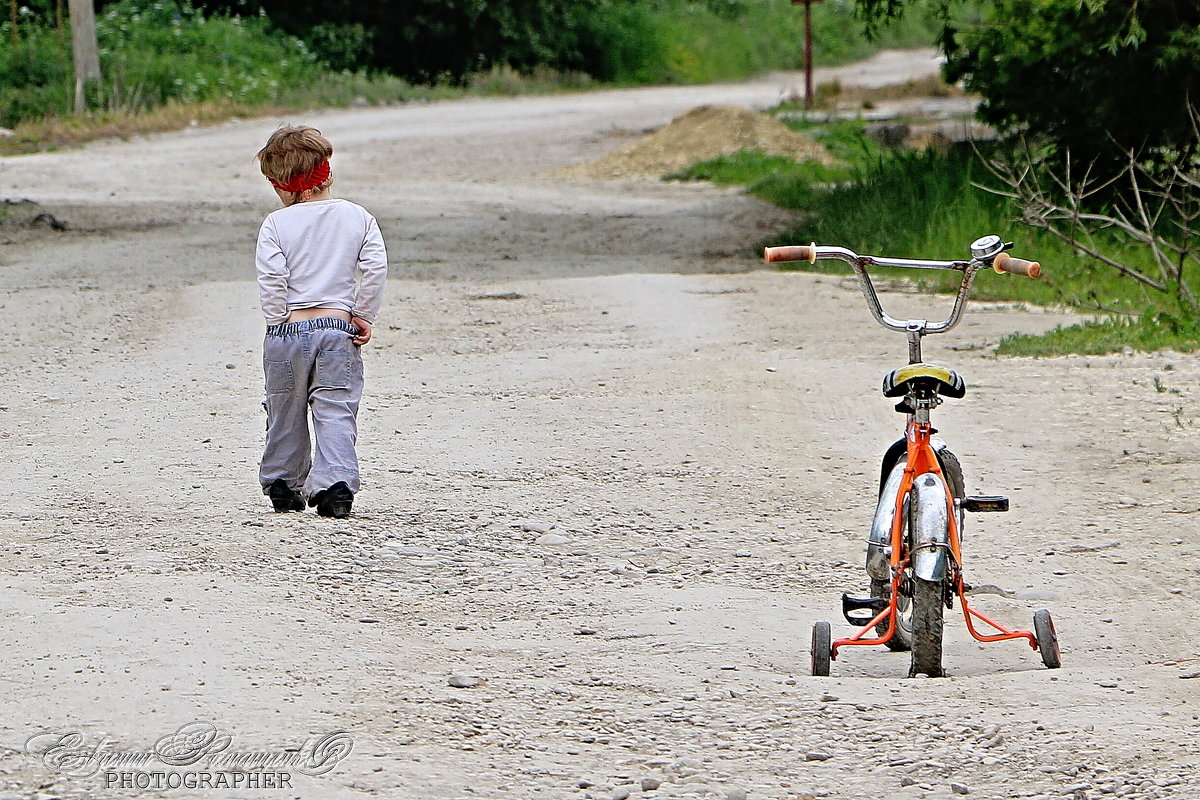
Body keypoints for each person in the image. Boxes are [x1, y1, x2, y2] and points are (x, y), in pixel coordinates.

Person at [253, 124, 387, 518]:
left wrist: (278, 319)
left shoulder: (276, 225)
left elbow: (272, 279)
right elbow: (375, 269)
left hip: (287, 332)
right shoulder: (358, 217)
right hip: (335, 329)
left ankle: (282, 482)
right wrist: (362, 314)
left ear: (283, 186)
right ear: (327, 174)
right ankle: (336, 486)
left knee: (284, 408)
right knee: (335, 406)